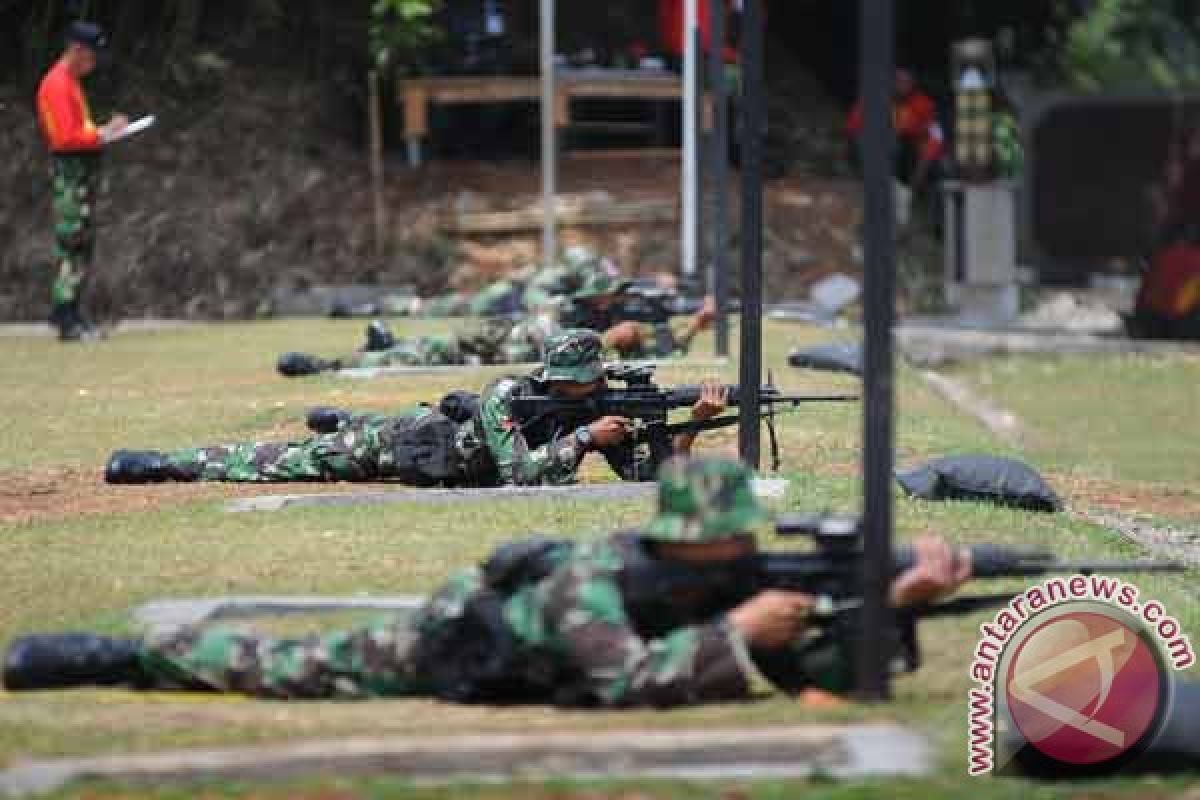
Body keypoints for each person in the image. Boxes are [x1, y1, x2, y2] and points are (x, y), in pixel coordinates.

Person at [4, 456, 971, 706]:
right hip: (442, 648)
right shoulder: (592, 583)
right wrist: (740, 632)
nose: (740, 569)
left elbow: (818, 680)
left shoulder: (708, 591)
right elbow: (625, 680)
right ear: (681, 549)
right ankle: (121, 657)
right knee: (268, 662)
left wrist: (890, 604)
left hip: (536, 665)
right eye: (724, 557)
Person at [106, 329, 727, 486]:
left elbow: (650, 479)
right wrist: (585, 440)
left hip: (451, 455)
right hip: (410, 448)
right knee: (283, 461)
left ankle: (342, 418)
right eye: (565, 387)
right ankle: (163, 462)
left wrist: (691, 428)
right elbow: (515, 477)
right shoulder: (510, 397)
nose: (575, 395)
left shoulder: (587, 408)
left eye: (582, 387)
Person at [35, 22, 128, 341]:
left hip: (81, 174)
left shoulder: (71, 82)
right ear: (76, 50)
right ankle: (66, 316)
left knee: (82, 246)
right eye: (92, 55)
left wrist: (101, 133)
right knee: (72, 244)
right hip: (70, 175)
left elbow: (80, 132)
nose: (95, 62)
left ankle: (71, 310)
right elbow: (65, 138)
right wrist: (104, 134)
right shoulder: (56, 84)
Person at [846, 68, 946, 217]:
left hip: (911, 156)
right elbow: (853, 128)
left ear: (914, 84)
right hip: (880, 153)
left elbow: (936, 137)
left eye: (907, 82)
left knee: (941, 167)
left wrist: (923, 164)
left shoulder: (925, 104)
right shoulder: (874, 99)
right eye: (898, 81)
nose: (902, 86)